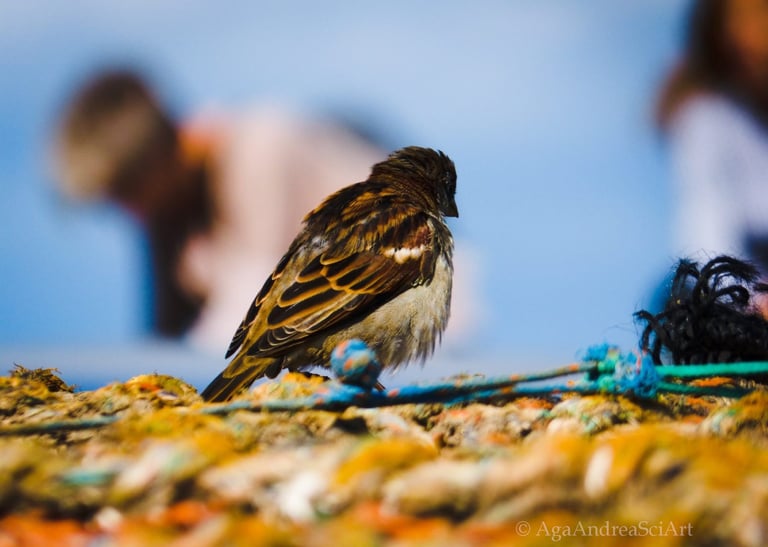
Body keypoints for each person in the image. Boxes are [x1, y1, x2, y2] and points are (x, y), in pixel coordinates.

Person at [53, 69, 387, 351]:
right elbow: (164, 346)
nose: (129, 212)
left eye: (127, 192)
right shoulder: (169, 216)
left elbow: (259, 299)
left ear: (154, 161)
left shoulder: (262, 143)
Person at [656, 0, 768, 270]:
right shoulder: (706, 116)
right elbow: (708, 224)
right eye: (754, 14)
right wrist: (747, 300)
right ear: (720, 30)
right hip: (741, 287)